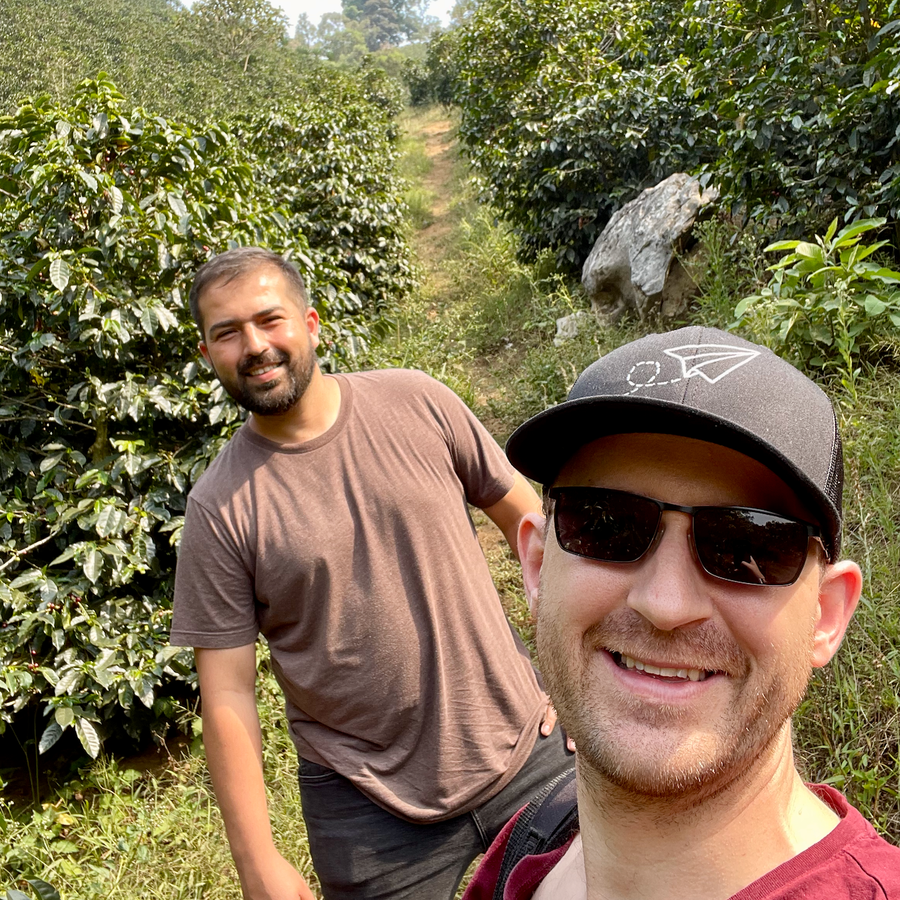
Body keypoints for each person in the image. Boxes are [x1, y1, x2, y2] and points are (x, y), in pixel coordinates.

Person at [169, 247, 573, 900]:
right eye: (227, 332)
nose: (254, 346)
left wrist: (576, 681)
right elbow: (227, 696)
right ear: (207, 352)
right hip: (364, 805)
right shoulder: (219, 508)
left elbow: (530, 526)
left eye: (269, 320)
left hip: (527, 748)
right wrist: (256, 861)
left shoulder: (418, 403)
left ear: (310, 322)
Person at [464, 326, 900, 900]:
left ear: (826, 615)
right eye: (606, 526)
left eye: (747, 548)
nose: (665, 605)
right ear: (539, 567)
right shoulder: (527, 850)